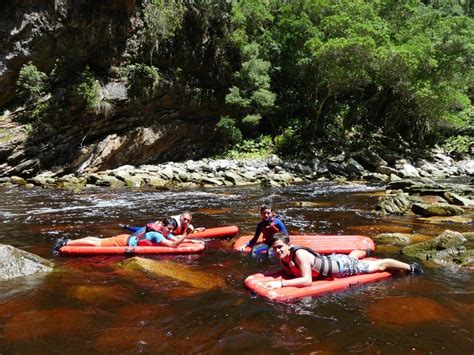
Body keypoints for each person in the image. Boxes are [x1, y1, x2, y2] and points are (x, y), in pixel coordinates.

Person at [264, 233, 423, 289]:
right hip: (333, 260)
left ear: (288, 245)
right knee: (350, 257)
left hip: (342, 267)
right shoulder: (282, 257)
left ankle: (412, 267)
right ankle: (363, 252)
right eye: (275, 248)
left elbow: (307, 281)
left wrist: (281, 284)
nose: (277, 250)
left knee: (379, 265)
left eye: (280, 247)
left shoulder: (299, 255)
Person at [52, 217, 201, 254]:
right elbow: (173, 245)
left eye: (171, 230)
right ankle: (65, 244)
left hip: (125, 239)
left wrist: (189, 241)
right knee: (98, 244)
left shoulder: (159, 231)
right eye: (168, 229)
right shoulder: (157, 236)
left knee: (99, 240)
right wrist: (187, 234)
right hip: (123, 242)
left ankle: (69, 240)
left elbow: (174, 239)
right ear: (162, 226)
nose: (169, 231)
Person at [120, 211, 205, 235]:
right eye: (185, 219)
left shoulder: (187, 224)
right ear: (181, 217)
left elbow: (187, 230)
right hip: (158, 227)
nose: (186, 221)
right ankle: (127, 227)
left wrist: (196, 230)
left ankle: (127, 227)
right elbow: (171, 234)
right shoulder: (174, 223)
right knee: (142, 230)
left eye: (188, 220)